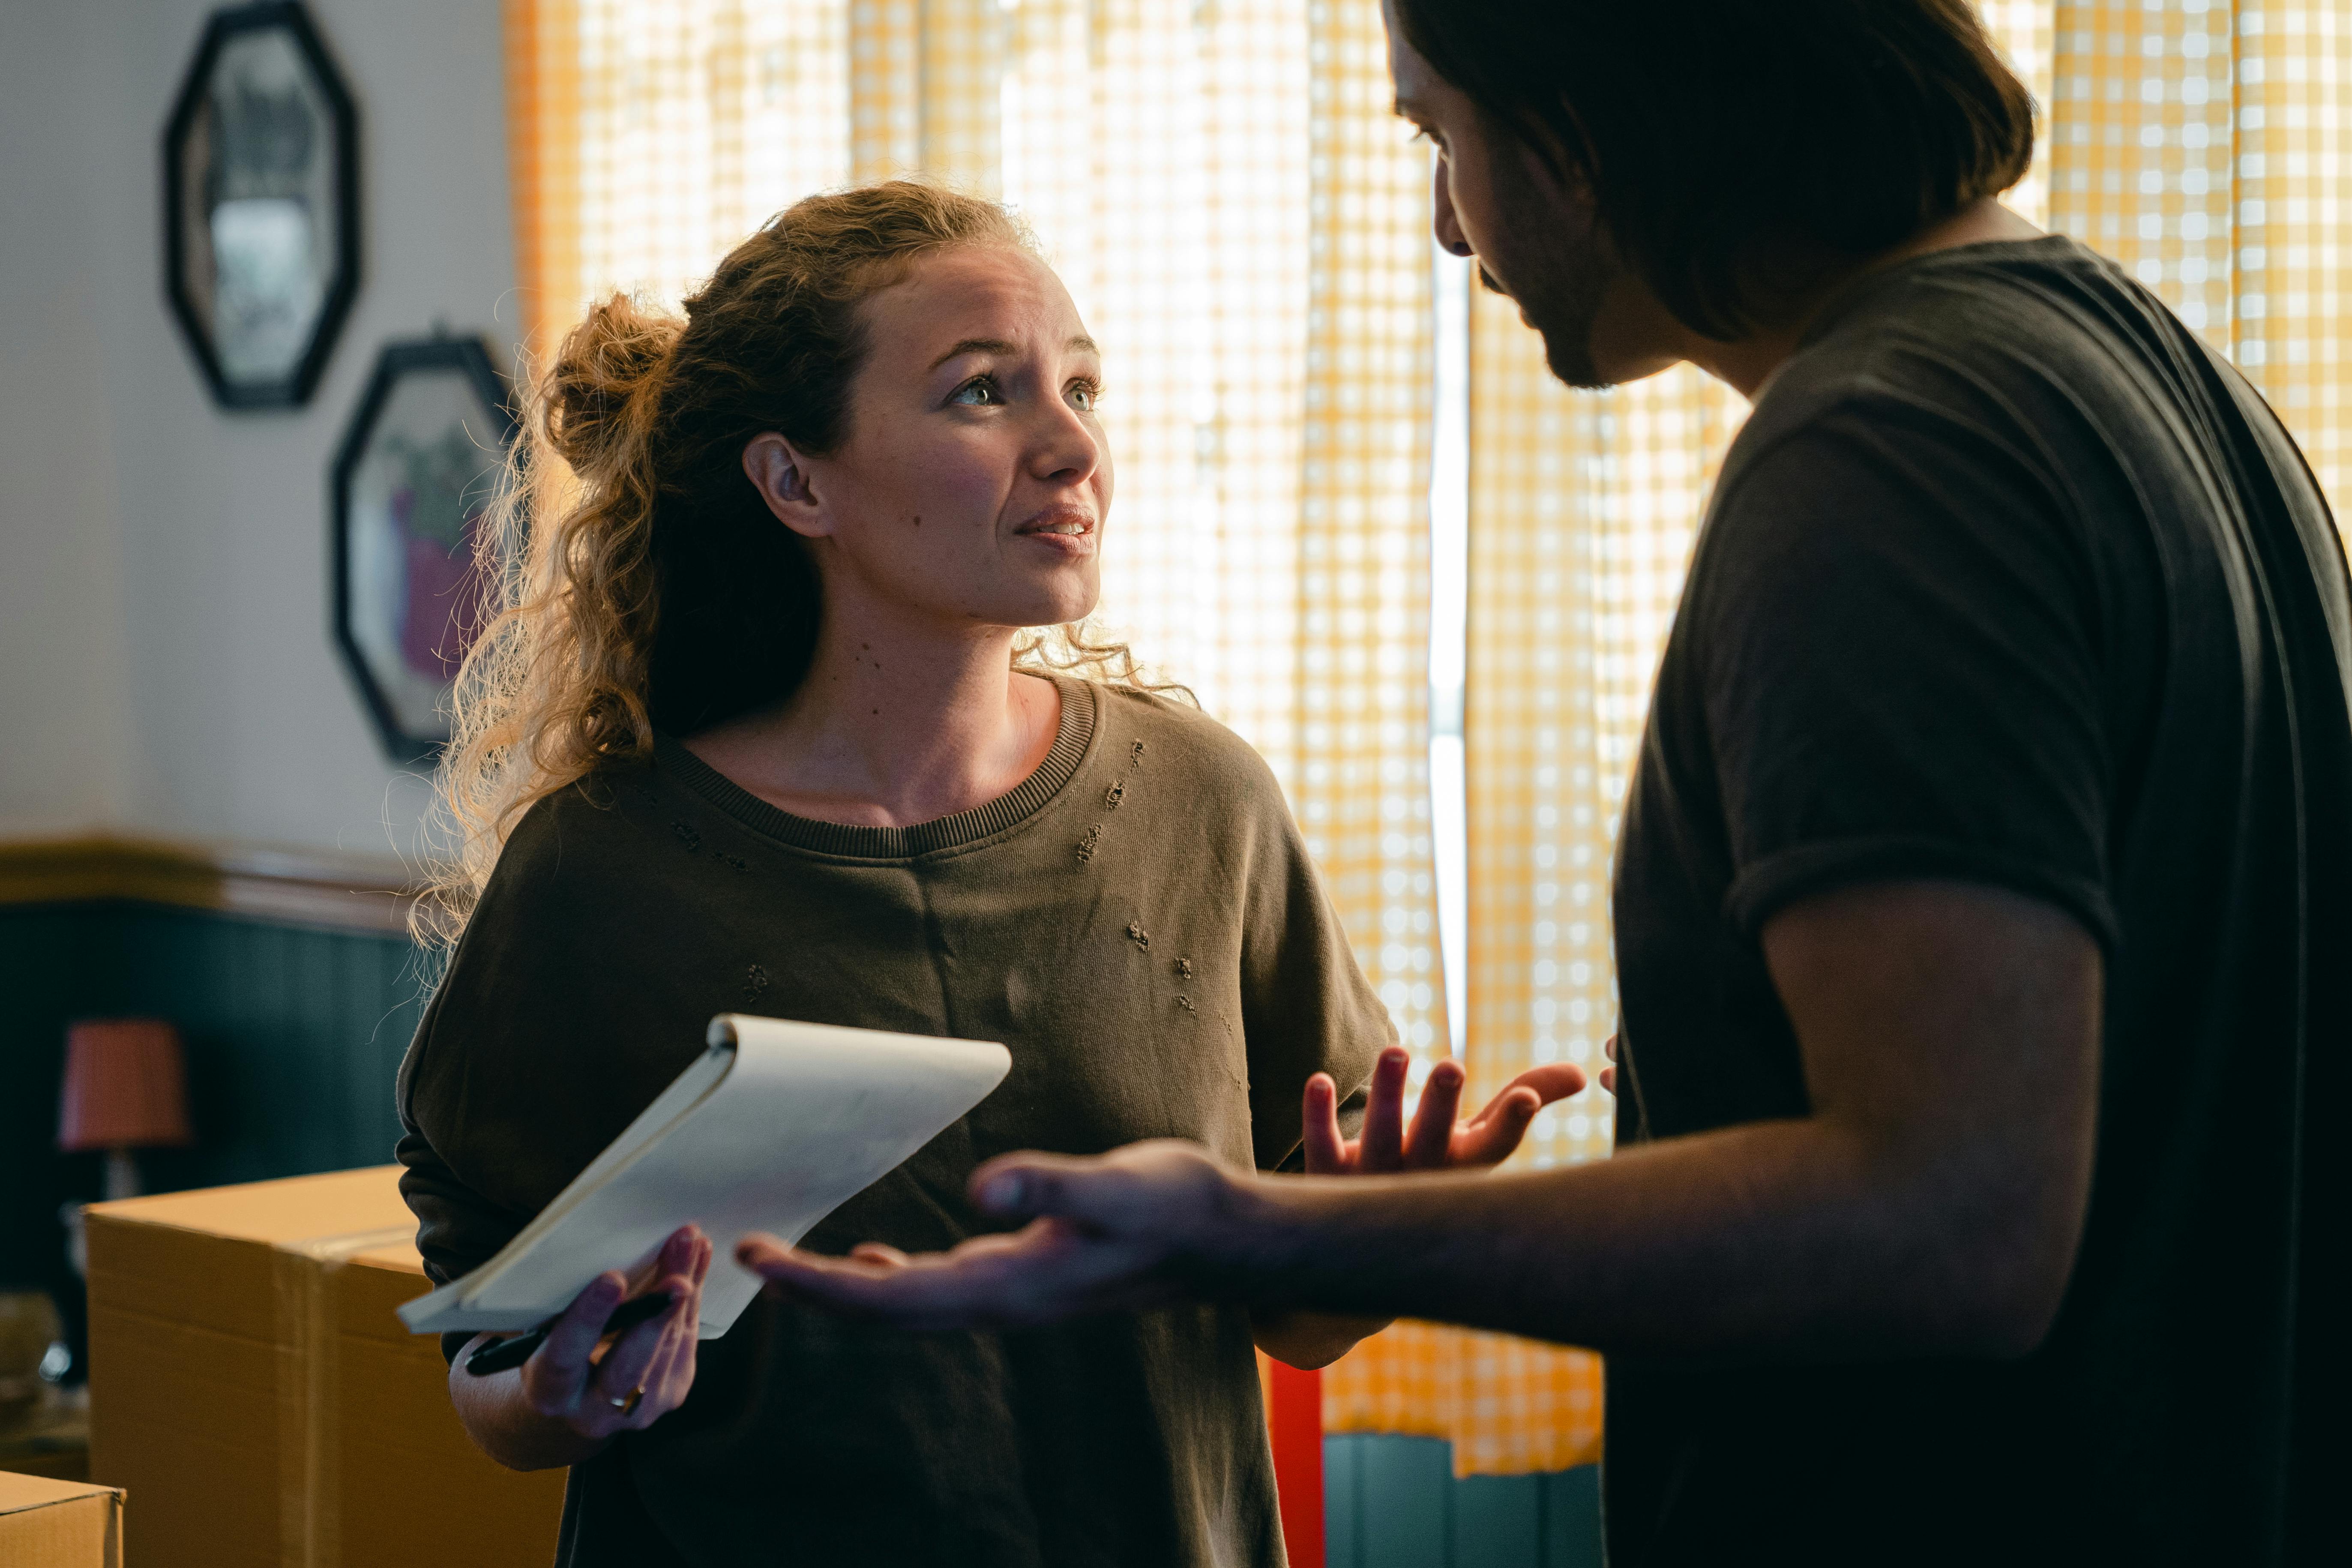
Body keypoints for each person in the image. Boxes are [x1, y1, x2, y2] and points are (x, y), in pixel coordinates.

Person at [740, 6, 2349, 1565]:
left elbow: (1952, 1221)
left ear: (1584, 114)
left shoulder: (1888, 452)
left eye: (1443, 134)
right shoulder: (2169, 385)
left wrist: (1249, 1229)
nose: (1450, 227)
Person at [395, 180, 1579, 1568]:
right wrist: (555, 1391)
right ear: (796, 482)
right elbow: (493, 1365)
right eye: (982, 393)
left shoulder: (1202, 803)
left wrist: (1378, 1228)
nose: (1074, 444)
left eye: (1078, 384)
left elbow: (1295, 1320)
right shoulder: (600, 873)